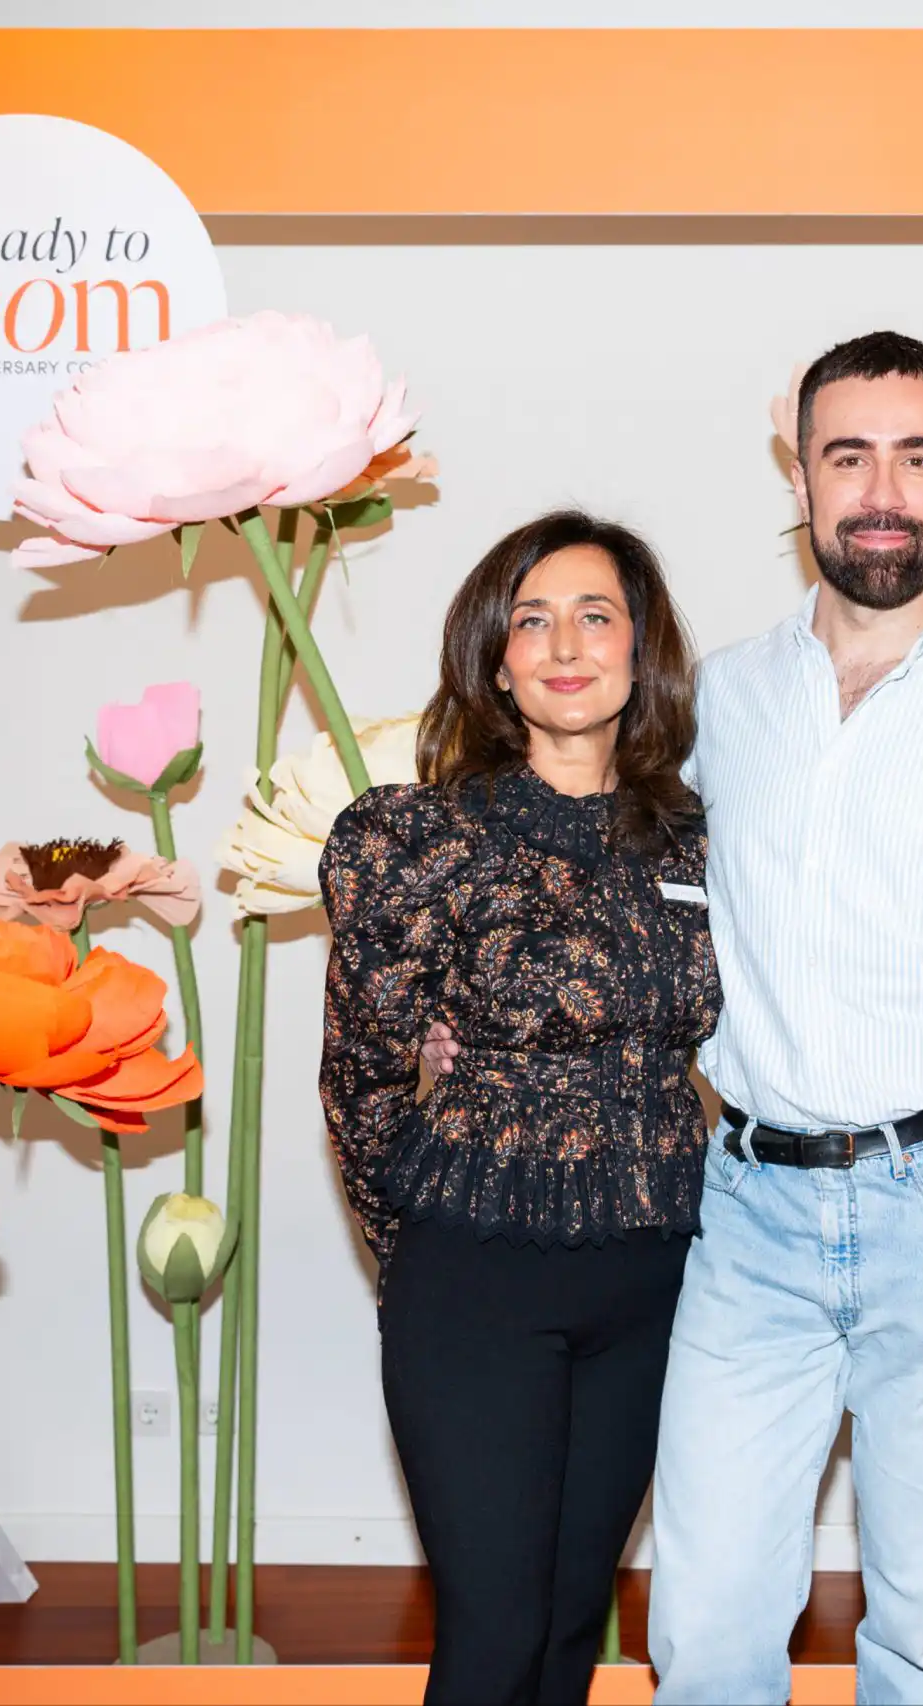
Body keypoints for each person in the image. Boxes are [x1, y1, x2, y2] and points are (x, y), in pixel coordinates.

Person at [428, 332, 923, 1705]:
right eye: (849, 457)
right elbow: (596, 859)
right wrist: (462, 1009)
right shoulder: (713, 705)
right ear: (801, 479)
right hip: (746, 1222)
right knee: (705, 1631)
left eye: (916, 458)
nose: (881, 491)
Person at [318, 509, 720, 1706]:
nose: (566, 644)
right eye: (532, 620)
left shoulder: (701, 838)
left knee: (567, 1627)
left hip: (655, 1278)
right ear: (495, 660)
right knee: (493, 1636)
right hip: (475, 1279)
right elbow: (361, 1078)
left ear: (640, 647)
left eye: (596, 615)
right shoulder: (417, 839)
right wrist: (416, 1248)